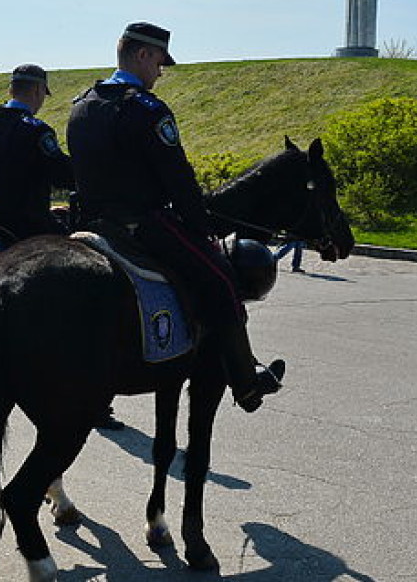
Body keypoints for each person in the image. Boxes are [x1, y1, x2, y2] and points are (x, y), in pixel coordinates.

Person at [67, 22, 284, 414]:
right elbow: (177, 179)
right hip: (141, 226)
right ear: (143, 55)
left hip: (90, 223)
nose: (161, 72)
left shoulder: (82, 103)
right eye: (160, 62)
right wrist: (203, 229)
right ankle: (246, 383)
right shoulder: (146, 109)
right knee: (219, 279)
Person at [0, 63, 75, 248]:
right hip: (30, 226)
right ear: (37, 90)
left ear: (11, 90)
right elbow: (62, 175)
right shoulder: (36, 130)